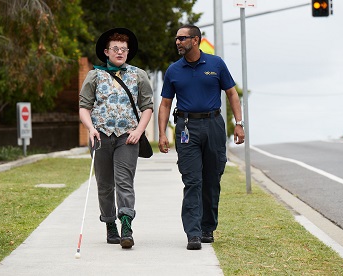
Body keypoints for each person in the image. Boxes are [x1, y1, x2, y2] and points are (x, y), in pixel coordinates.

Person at [158, 24, 245, 250]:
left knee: (212, 179)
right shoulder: (173, 71)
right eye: (176, 38)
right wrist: (162, 134)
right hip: (187, 127)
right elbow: (165, 104)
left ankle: (208, 227)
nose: (177, 42)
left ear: (195, 40)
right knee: (192, 180)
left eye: (182, 38)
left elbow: (232, 93)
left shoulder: (216, 64)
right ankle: (193, 233)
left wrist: (239, 124)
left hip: (214, 125)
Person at [79, 28, 153, 249]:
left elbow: (147, 106)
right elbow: (84, 107)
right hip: (100, 136)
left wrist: (139, 131)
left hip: (127, 137)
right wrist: (91, 129)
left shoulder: (138, 75)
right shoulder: (94, 75)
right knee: (104, 184)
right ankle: (110, 223)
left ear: (128, 52)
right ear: (106, 51)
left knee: (124, 182)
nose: (120, 52)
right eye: (115, 49)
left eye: (124, 49)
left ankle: (127, 226)